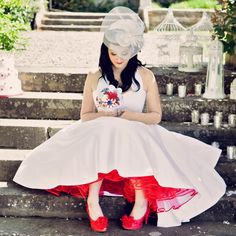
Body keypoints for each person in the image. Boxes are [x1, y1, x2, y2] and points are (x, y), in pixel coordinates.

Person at [13, 6, 226, 233]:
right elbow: (85, 116)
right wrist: (105, 114)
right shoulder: (94, 76)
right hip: (100, 130)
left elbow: (155, 116)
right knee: (105, 128)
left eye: (124, 53)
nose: (119, 59)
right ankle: (92, 200)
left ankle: (141, 202)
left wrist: (126, 115)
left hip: (137, 129)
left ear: (133, 51)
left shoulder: (145, 76)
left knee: (127, 132)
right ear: (106, 51)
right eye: (114, 53)